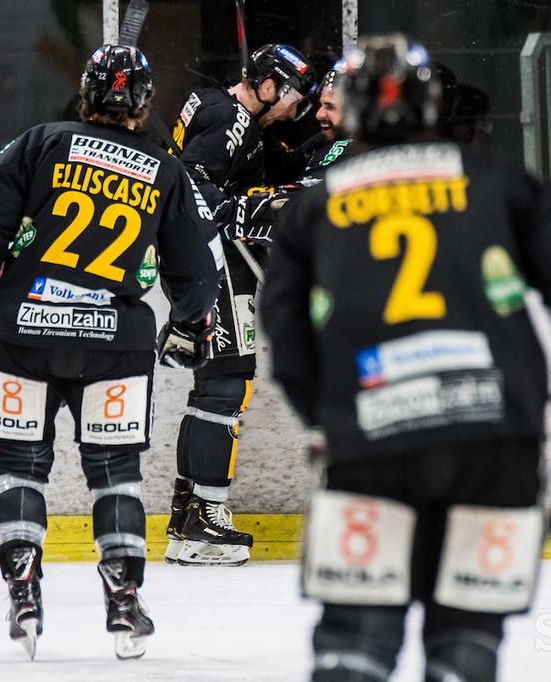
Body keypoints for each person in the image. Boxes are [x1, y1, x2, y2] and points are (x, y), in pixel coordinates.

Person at [259, 35, 551, 682]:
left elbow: (284, 330)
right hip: (496, 444)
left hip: (371, 441)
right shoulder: (499, 181)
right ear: (431, 103)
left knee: (356, 642)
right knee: (466, 642)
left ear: (349, 111)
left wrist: (324, 419)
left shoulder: (315, 207)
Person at [0, 45, 221, 659]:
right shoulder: (164, 167)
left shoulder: (41, 140)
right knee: (115, 474)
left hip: (26, 334)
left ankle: (23, 589)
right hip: (115, 345)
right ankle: (123, 600)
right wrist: (190, 324)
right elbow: (196, 270)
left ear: (85, 90)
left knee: (21, 465)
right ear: (145, 102)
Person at [164, 43, 317, 567]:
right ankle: (205, 518)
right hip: (211, 263)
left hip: (203, 261)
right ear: (269, 85)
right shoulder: (230, 116)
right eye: (294, 97)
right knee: (229, 378)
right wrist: (246, 208)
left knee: (213, 383)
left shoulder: (225, 113)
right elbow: (190, 183)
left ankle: (188, 515)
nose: (298, 108)